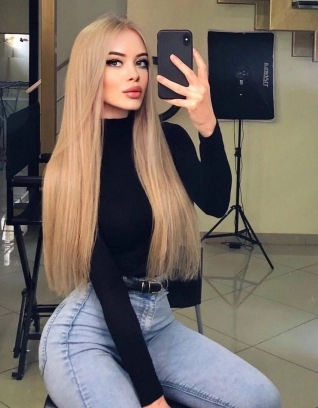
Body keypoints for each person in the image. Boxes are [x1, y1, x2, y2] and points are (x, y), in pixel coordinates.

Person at [39, 14, 281, 408]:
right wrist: (152, 398)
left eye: (141, 62)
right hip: (88, 333)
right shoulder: (72, 168)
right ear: (88, 72)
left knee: (262, 399)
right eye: (114, 62)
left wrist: (208, 127)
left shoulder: (169, 140)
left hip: (158, 323)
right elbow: (109, 291)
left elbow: (216, 202)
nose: (133, 74)